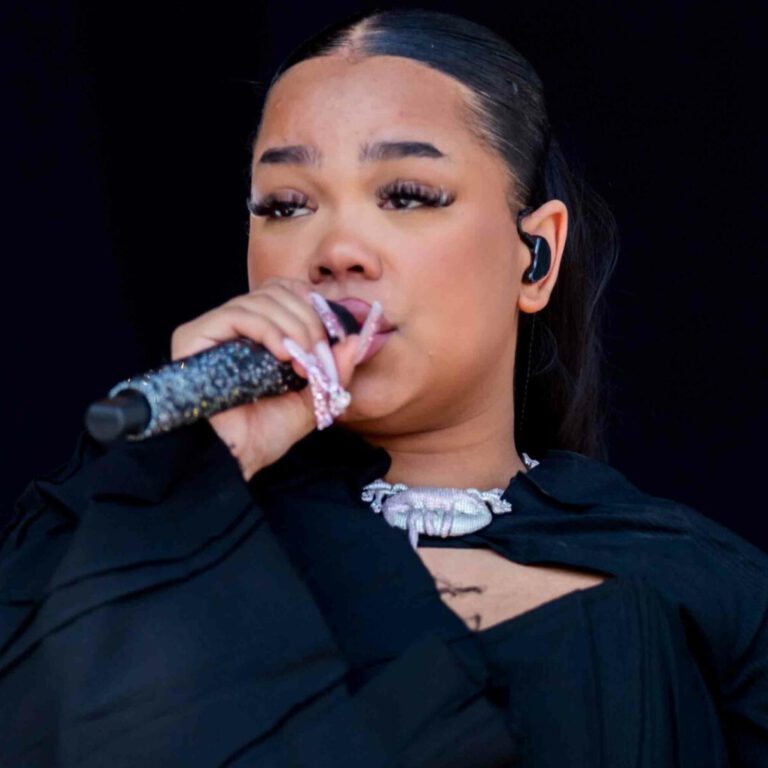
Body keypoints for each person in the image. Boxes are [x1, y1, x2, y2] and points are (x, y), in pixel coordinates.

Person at [1, 8, 766, 767]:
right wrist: (194, 472)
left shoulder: (702, 583)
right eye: (286, 205)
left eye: (405, 194)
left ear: (535, 256)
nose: (336, 251)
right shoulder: (123, 535)